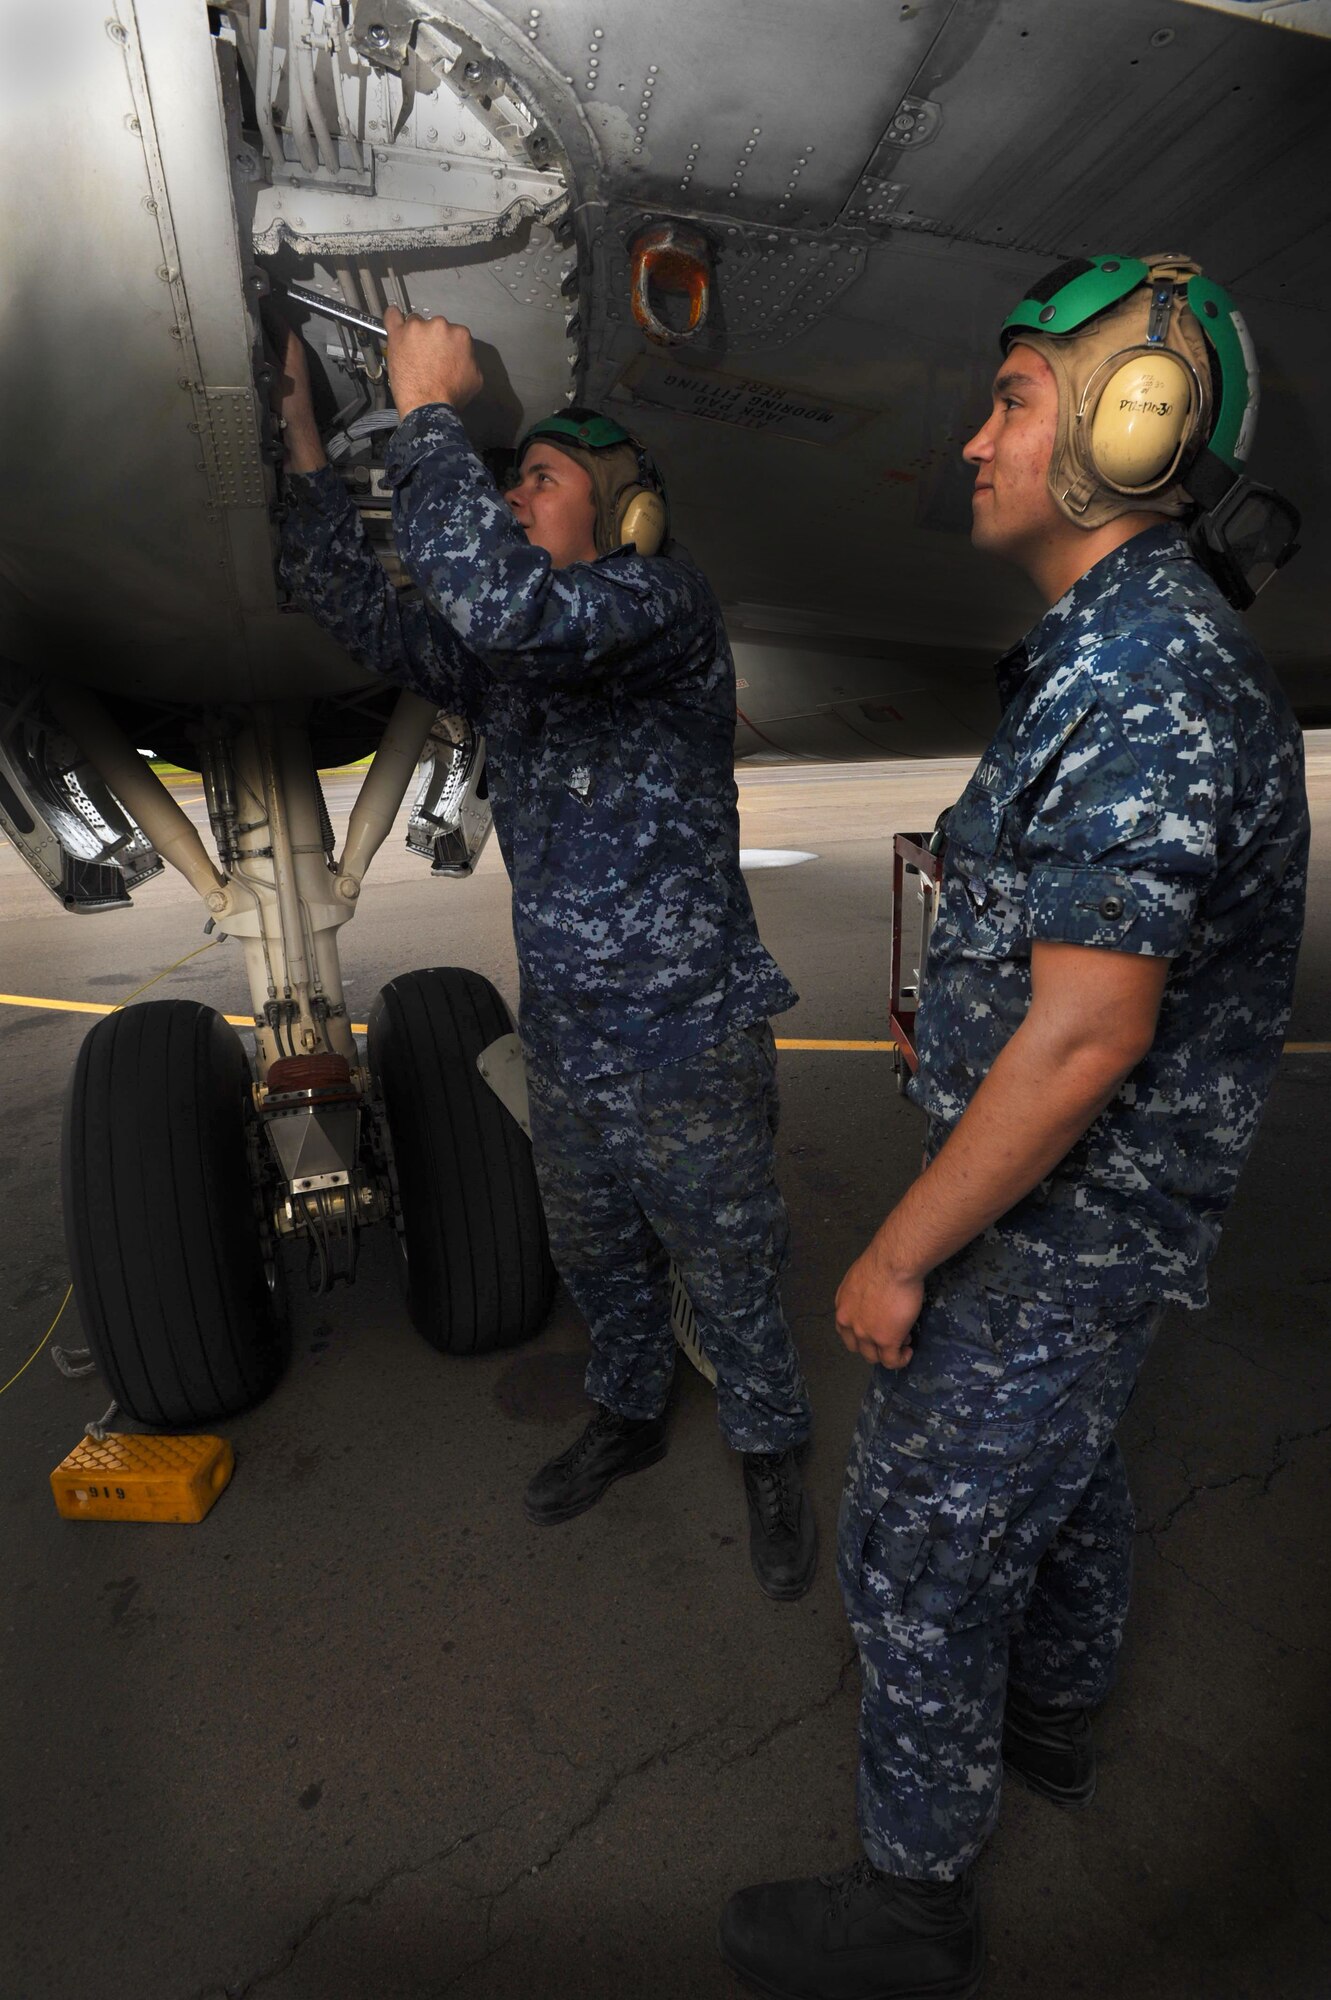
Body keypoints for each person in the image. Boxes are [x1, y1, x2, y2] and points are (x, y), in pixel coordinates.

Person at [720, 254, 1309, 1994]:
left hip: (1053, 1229)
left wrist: (900, 1254)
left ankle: (914, 1907)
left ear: (1139, 427)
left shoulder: (1147, 676)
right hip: (1087, 1235)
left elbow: (1084, 1037)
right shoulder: (1121, 654)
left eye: (1016, 399)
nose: (976, 439)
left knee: (912, 1539)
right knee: (1068, 1478)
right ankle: (1055, 1721)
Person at [275, 310, 817, 1601]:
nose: (516, 497)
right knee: (601, 1256)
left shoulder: (659, 606)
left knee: (727, 1258)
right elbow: (356, 601)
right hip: (573, 1041)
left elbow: (496, 605)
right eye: (511, 479)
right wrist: (301, 437)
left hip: (689, 1034)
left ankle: (771, 1447)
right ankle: (628, 1416)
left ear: (623, 515)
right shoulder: (513, 657)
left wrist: (428, 415)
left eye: (541, 479)